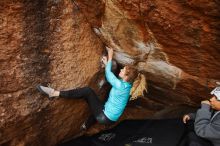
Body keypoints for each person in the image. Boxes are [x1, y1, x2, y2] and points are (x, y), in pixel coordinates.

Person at [37, 47, 147, 130]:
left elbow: (109, 75)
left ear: (127, 77)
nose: (121, 70)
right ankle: (86, 126)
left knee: (87, 91)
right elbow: (114, 78)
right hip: (111, 119)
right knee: (98, 103)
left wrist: (110, 55)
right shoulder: (128, 86)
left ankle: (54, 93)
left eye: (123, 70)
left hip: (104, 117)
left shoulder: (120, 85)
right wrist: (106, 63)